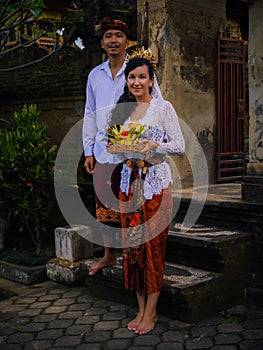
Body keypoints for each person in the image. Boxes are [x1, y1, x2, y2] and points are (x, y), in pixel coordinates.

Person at [107, 48, 185, 335]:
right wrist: (121, 149)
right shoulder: (122, 110)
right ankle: (139, 309)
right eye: (131, 77)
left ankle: (151, 313)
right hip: (130, 186)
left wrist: (154, 146)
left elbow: (179, 146)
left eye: (142, 77)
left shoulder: (163, 109)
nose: (136, 82)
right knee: (132, 249)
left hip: (155, 188)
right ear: (126, 81)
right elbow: (114, 149)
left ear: (152, 80)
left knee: (152, 248)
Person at [82, 18, 163, 275]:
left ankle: (135, 258)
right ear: (102, 42)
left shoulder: (139, 68)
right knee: (105, 205)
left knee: (133, 205)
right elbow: (90, 113)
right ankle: (108, 255)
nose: (113, 40)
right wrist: (88, 150)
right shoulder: (95, 75)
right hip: (104, 150)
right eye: (108, 36)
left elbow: (157, 104)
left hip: (134, 152)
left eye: (118, 35)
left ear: (127, 41)